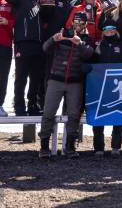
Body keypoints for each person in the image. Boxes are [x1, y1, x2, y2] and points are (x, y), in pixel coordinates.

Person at [38, 12, 95, 158]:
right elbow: (45, 48)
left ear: (85, 24)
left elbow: (90, 54)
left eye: (81, 22)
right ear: (72, 22)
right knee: (48, 113)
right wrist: (53, 39)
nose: (78, 25)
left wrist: (79, 43)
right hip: (56, 79)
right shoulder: (62, 34)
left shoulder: (87, 39)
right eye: (76, 21)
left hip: (75, 81)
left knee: (74, 114)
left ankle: (70, 147)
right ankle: (44, 147)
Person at [4, 0, 46, 116]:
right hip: (22, 43)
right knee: (21, 78)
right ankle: (19, 107)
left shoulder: (43, 2)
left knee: (35, 78)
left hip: (38, 45)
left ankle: (33, 106)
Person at [92, 21, 122, 157]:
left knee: (118, 115)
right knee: (99, 116)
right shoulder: (98, 45)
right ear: (103, 32)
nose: (109, 33)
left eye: (112, 30)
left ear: (116, 31)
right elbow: (92, 61)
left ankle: (116, 147)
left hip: (118, 83)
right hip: (101, 84)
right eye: (106, 30)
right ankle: (99, 148)